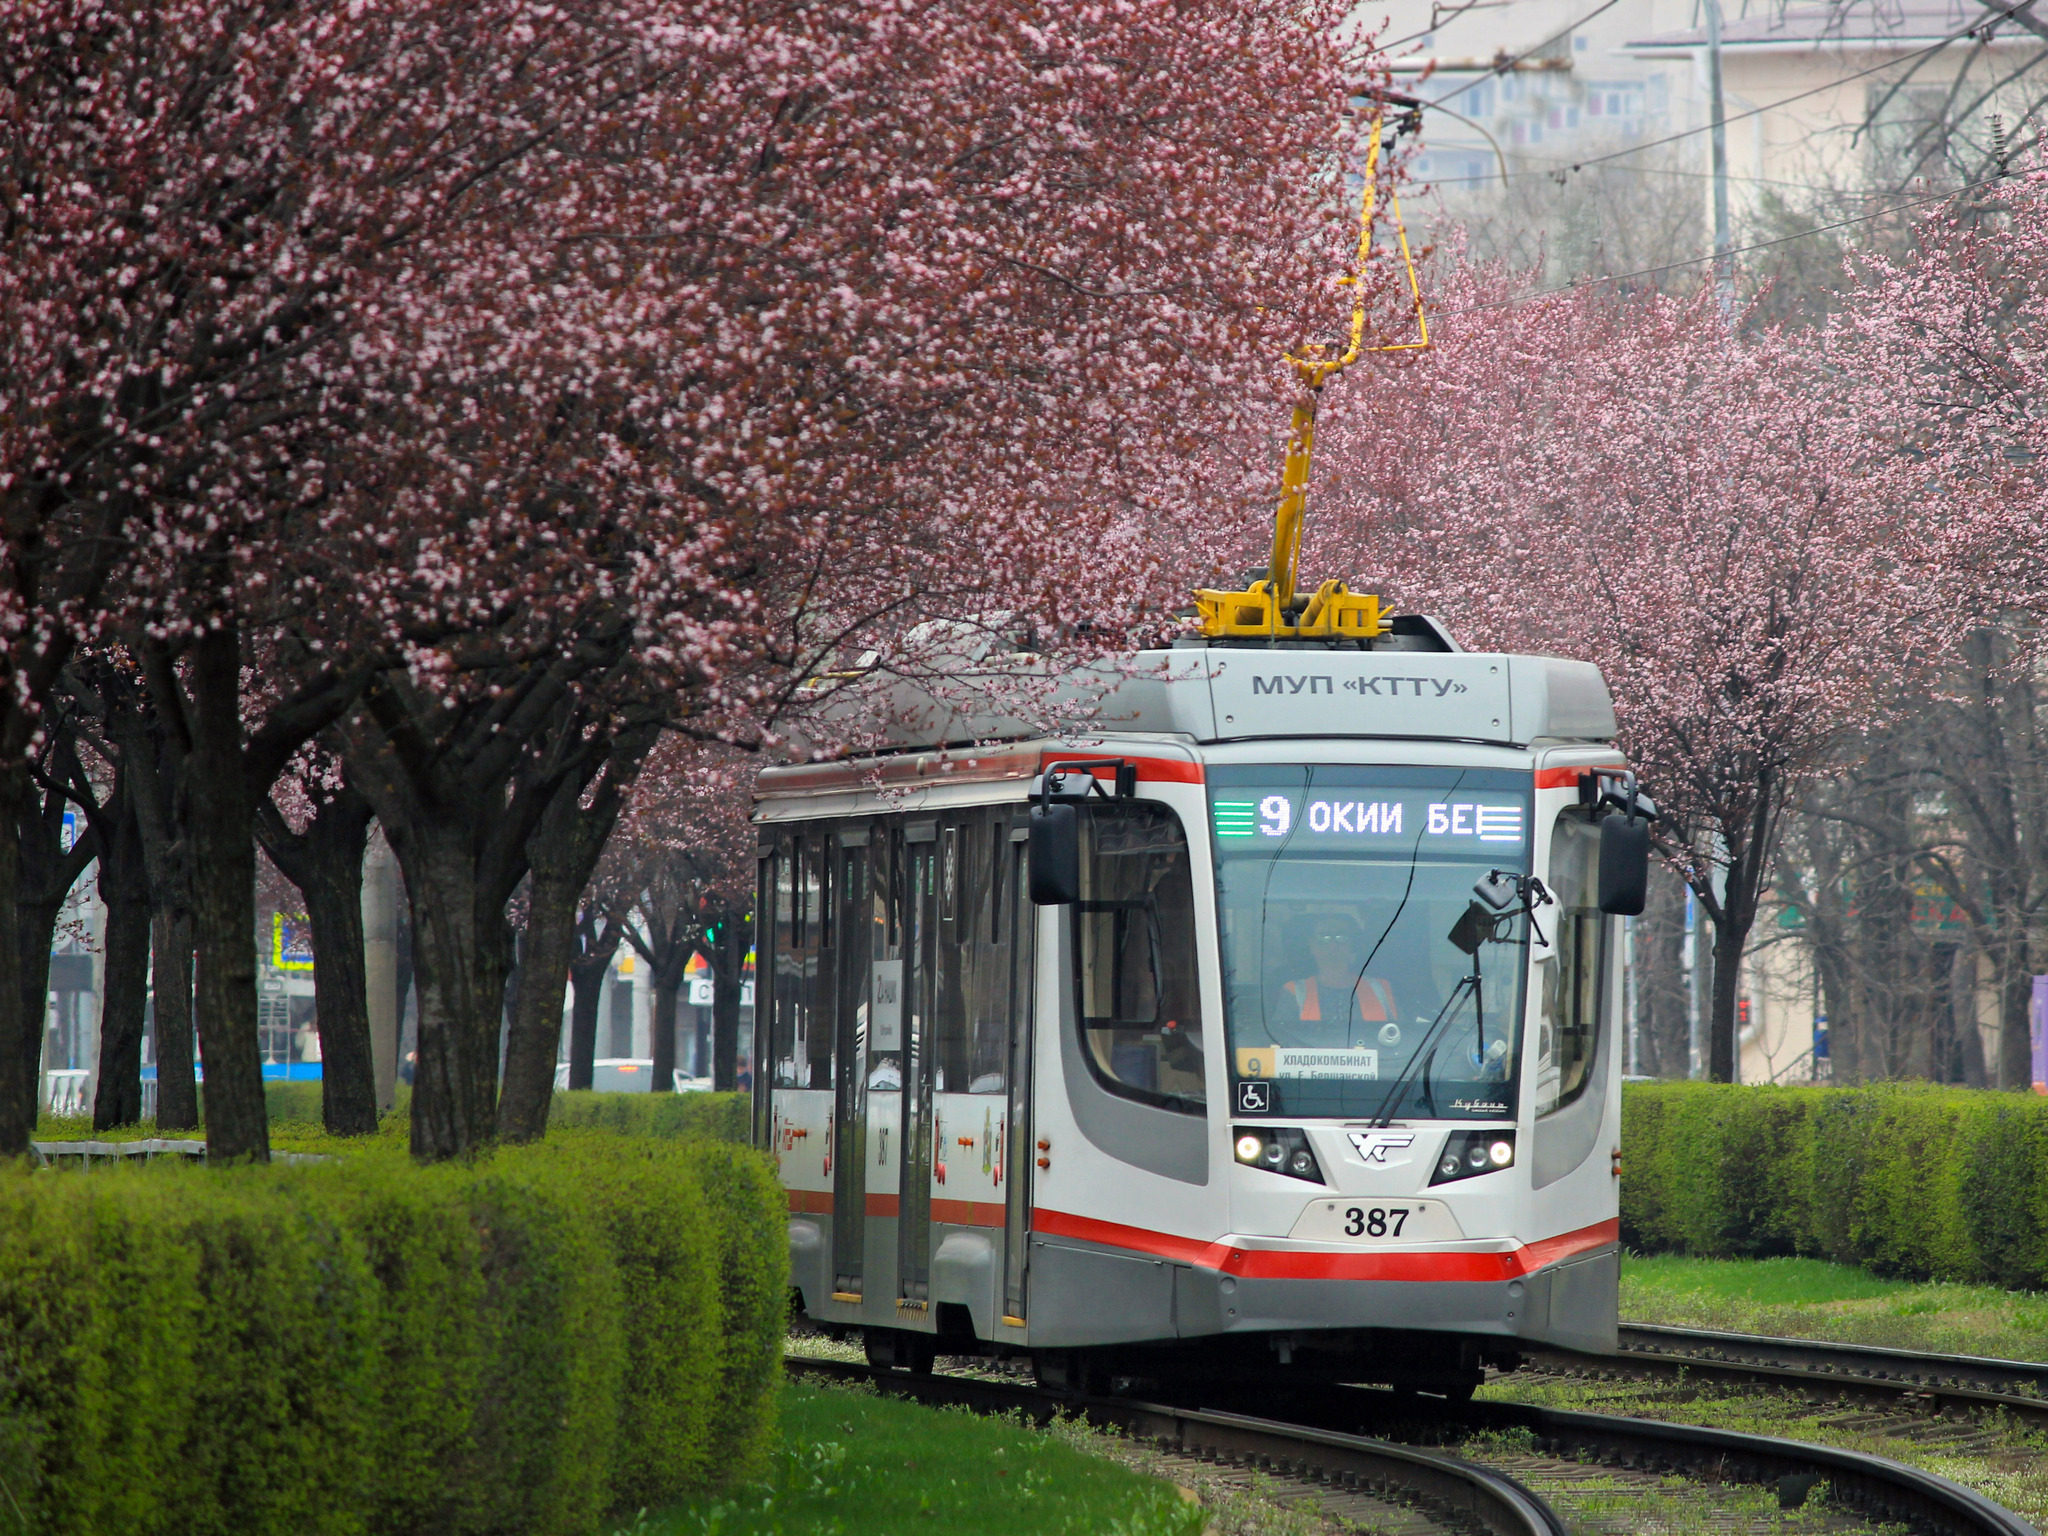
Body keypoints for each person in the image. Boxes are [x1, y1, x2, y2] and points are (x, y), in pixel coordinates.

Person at [1272, 913, 1400, 1048]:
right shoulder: (1294, 992)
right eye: (1324, 937)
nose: (1333, 945)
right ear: (1311, 945)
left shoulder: (1380, 989)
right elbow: (1281, 1040)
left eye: (1341, 937)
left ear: (1353, 944)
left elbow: (1405, 1036)